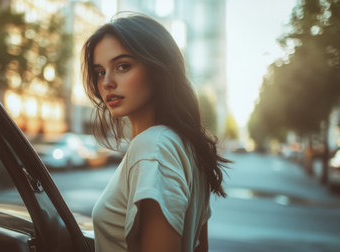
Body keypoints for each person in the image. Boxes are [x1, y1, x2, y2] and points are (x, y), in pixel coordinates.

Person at [82, 14, 230, 252]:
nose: (107, 82)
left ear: (158, 70)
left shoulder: (152, 147)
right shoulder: (185, 145)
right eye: (100, 71)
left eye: (123, 66)